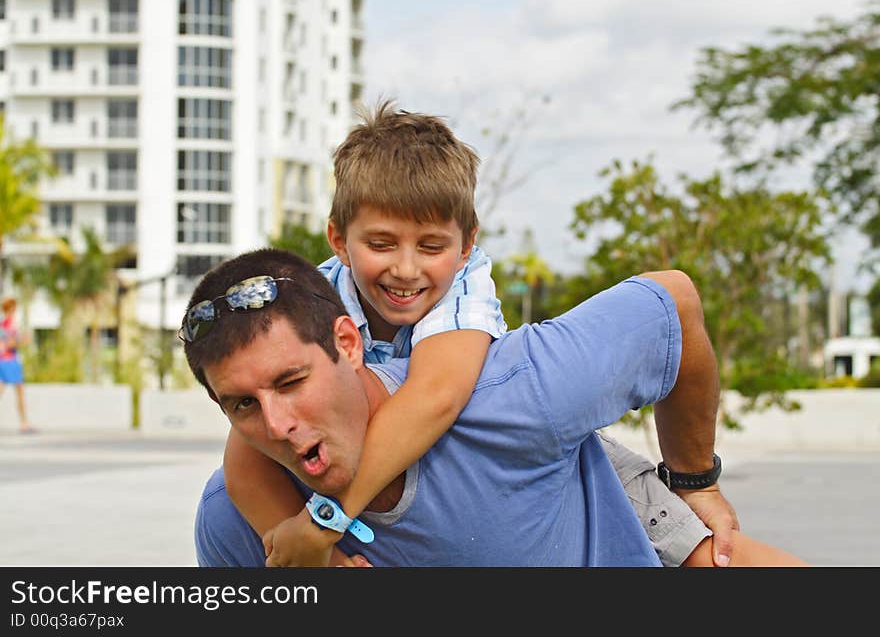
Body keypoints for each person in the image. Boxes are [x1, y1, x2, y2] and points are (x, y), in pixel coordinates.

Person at [216, 101, 739, 568]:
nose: (405, 269)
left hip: (526, 455)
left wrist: (323, 524)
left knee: (704, 554)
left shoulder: (464, 290)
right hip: (398, 487)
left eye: (430, 246)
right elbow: (245, 450)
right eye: (380, 243)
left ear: (466, 246)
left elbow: (435, 397)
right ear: (339, 239)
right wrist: (312, 557)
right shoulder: (314, 297)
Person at [183, 248, 806, 566]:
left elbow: (671, 303)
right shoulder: (237, 524)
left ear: (348, 344)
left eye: (292, 381)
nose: (277, 425)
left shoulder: (516, 392)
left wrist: (695, 479)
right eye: (241, 404)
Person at [0, 297, 32, 434]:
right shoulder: (8, 325)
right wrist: (23, 340)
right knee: (19, 394)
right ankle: (24, 424)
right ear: (10, 309)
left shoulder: (4, 324)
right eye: (13, 308)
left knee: (15, 392)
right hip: (9, 361)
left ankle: (24, 423)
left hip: (6, 361)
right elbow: (8, 344)